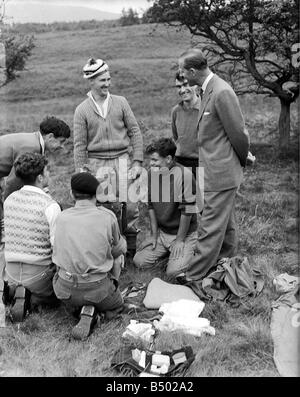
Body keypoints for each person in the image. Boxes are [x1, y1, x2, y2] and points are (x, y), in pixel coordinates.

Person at [177, 48, 250, 291]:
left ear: (193, 71)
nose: (182, 77)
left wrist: (242, 159)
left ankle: (194, 276)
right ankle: (226, 266)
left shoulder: (221, 92)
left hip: (221, 173)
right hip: (213, 170)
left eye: (182, 71)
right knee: (226, 225)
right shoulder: (208, 89)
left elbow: (238, 133)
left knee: (209, 224)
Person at [73, 58, 144, 248]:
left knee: (130, 206)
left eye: (108, 79)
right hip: (97, 164)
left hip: (123, 161)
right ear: (91, 81)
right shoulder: (82, 110)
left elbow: (135, 131)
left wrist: (137, 162)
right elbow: (79, 145)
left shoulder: (121, 102)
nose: (107, 83)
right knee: (104, 208)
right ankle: (108, 249)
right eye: (102, 80)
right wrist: (82, 172)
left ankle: (130, 249)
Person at [52, 172, 127, 340]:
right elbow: (121, 248)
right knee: (118, 256)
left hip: (64, 291)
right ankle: (99, 309)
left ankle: (79, 309)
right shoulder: (107, 217)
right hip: (98, 289)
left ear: (72, 194)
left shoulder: (62, 217)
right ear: (97, 195)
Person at [2, 153, 61, 322]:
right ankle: (36, 297)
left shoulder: (9, 200)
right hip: (39, 276)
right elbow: (57, 248)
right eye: (47, 171)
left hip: (11, 274)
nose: (49, 174)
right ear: (40, 178)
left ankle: (17, 293)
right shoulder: (50, 206)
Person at [133, 138, 199, 277]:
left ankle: (192, 250)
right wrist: (154, 234)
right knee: (139, 261)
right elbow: (151, 205)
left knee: (173, 272)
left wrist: (180, 240)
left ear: (168, 159)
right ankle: (169, 255)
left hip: (184, 234)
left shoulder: (185, 176)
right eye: (150, 160)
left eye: (155, 160)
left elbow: (187, 211)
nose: (151, 163)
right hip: (163, 233)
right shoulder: (152, 174)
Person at [0, 116, 70, 242]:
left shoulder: (34, 141)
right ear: (50, 137)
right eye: (61, 141)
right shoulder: (31, 147)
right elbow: (12, 182)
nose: (62, 146)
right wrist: (9, 209)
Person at [171, 71, 200, 177]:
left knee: (201, 193)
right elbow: (176, 137)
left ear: (195, 84)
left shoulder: (207, 108)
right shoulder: (175, 111)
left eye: (185, 85)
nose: (182, 90)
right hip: (180, 163)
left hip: (202, 164)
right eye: (178, 87)